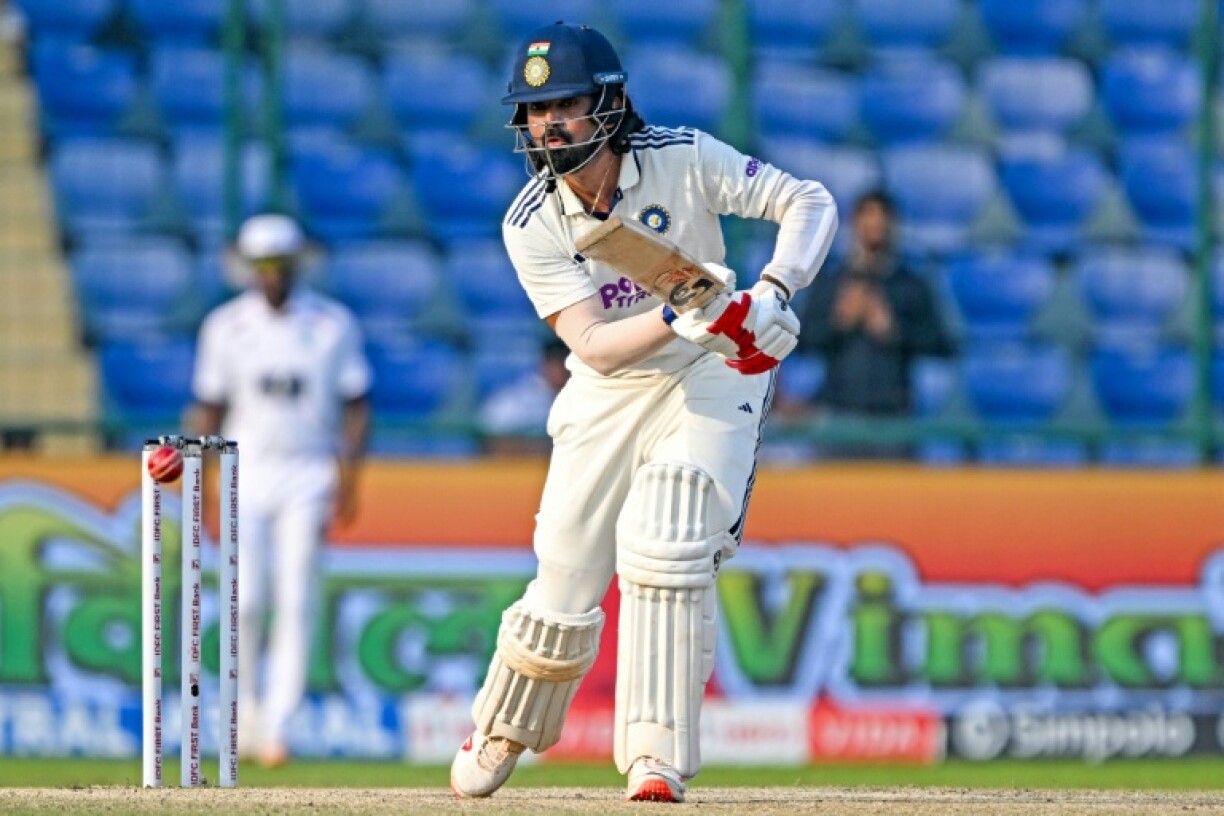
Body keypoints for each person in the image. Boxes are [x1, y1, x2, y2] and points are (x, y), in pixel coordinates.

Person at [449, 22, 837, 803]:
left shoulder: (681, 157)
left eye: (563, 105)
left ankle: (655, 757)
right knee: (564, 575)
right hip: (611, 387)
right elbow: (593, 345)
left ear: (609, 103)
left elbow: (808, 200)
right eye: (535, 110)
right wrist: (679, 311)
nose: (548, 124)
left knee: (668, 535)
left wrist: (772, 291)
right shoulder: (531, 220)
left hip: (711, 370)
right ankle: (504, 723)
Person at [190, 213, 372, 768]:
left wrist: (348, 479)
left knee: (296, 597)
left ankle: (278, 725)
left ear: (296, 266)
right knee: (246, 599)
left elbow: (356, 404)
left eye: (280, 265)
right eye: (262, 265)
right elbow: (209, 406)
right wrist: (202, 479)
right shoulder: (224, 327)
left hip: (309, 470)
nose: (272, 276)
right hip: (245, 470)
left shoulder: (332, 324)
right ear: (249, 269)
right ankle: (244, 715)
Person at [796, 190, 954, 457]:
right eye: (868, 220)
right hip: (838, 415)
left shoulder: (910, 285)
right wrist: (840, 322)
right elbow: (803, 341)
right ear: (855, 224)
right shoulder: (831, 282)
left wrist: (893, 331)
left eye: (882, 221)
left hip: (893, 418)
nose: (874, 228)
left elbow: (940, 344)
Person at [477, 337, 571, 456]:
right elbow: (492, 443)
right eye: (560, 363)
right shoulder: (513, 401)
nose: (566, 371)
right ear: (545, 364)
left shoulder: (582, 396)